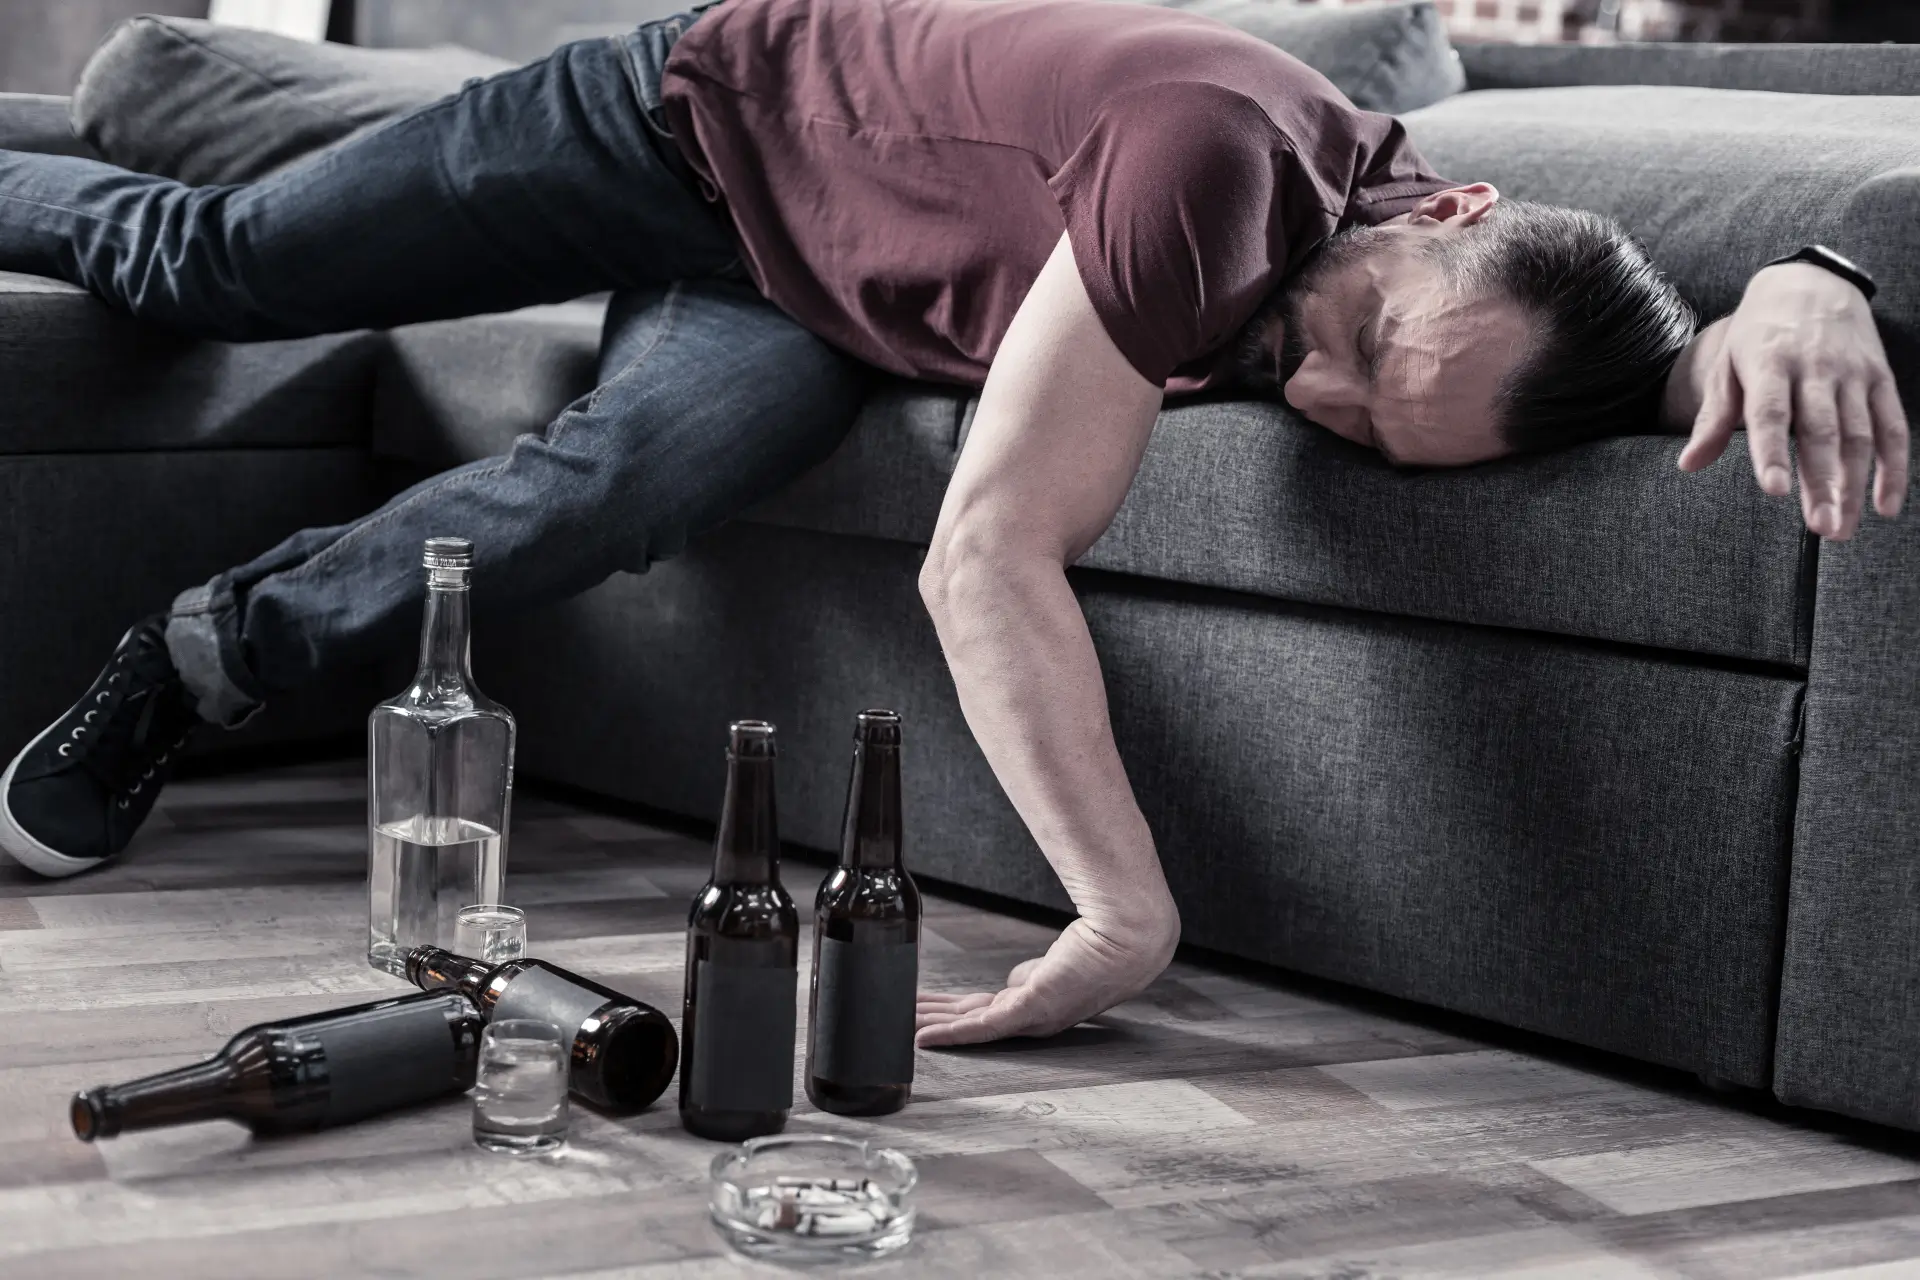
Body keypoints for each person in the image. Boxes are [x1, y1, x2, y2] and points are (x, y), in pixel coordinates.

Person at [0, 0, 1904, 1049]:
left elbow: (1698, 353)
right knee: (214, 262)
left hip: (791, 294)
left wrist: (1815, 281)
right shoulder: (1215, 161)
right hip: (675, 117)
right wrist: (1126, 910)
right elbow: (984, 551)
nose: (1307, 398)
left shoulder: (1474, 316)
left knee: (624, 478)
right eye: (1349, 348)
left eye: (1367, 429)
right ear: (1448, 208)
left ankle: (186, 662)